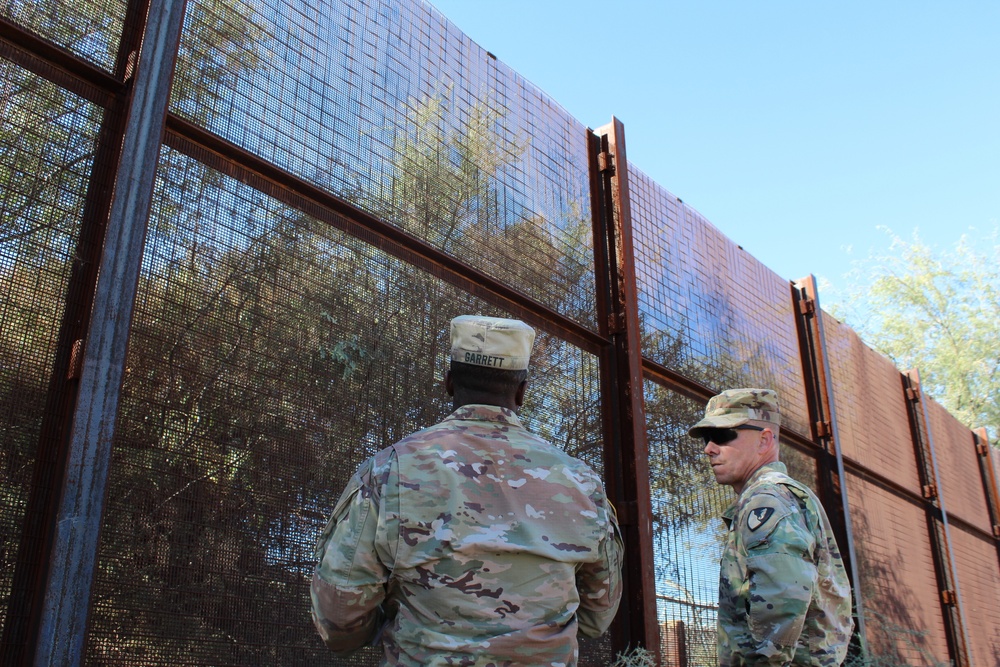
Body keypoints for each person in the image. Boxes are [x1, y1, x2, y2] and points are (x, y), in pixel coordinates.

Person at [311, 315, 623, 666]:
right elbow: (598, 614)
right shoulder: (582, 483)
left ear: (448, 383)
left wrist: (394, 628)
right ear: (521, 392)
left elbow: (340, 613)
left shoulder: (389, 469)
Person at [689, 388, 854, 666]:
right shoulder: (781, 495)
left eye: (722, 435)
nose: (709, 448)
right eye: (707, 438)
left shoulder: (767, 498)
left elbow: (781, 606)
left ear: (764, 441)